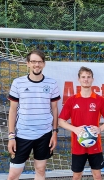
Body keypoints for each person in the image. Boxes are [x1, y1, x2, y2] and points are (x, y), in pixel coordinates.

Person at [7, 49, 61, 180]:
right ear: (28, 63)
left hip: (44, 134)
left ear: (44, 64)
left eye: (39, 62)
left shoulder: (52, 83)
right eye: (33, 61)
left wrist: (54, 133)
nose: (36, 65)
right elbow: (12, 111)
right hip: (22, 134)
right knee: (13, 175)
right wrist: (11, 136)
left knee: (40, 170)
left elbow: (54, 109)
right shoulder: (18, 83)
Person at [58, 66, 104, 180]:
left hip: (95, 145)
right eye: (83, 77)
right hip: (78, 145)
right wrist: (75, 129)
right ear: (78, 79)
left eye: (88, 77)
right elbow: (60, 121)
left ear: (93, 79)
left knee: (97, 175)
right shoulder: (72, 100)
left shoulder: (99, 99)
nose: (86, 79)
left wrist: (100, 129)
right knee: (77, 176)